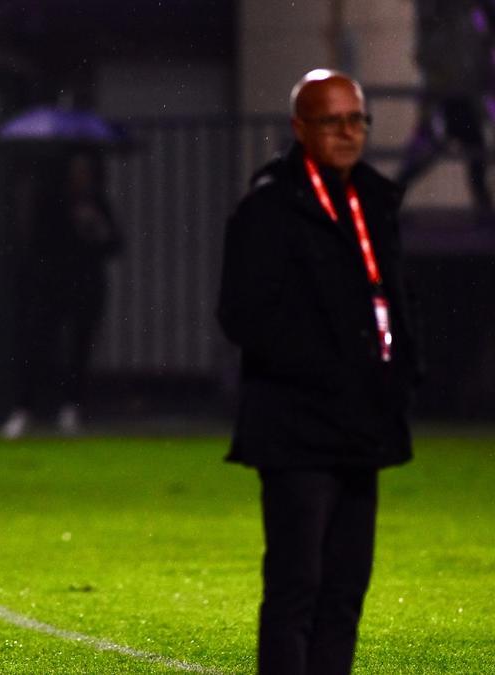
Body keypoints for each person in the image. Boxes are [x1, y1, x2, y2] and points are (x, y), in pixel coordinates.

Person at [217, 70, 419, 675]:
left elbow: (392, 299)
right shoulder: (269, 207)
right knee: (297, 585)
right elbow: (242, 315)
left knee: (346, 590)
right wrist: (326, 367)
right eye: (332, 120)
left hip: (363, 422)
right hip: (297, 425)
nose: (348, 132)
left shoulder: (374, 200)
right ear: (300, 128)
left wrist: (400, 370)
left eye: (357, 119)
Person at [1, 150, 122, 438]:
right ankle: (24, 408)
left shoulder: (95, 203)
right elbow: (38, 243)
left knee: (79, 348)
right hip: (52, 286)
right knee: (38, 346)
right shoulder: (49, 202)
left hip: (86, 286)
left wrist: (94, 228)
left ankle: (70, 407)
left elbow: (114, 243)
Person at [397, 0, 495, 214]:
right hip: (449, 93)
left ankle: (484, 209)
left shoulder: (470, 17)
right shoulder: (447, 14)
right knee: (463, 149)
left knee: (470, 151)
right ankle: (484, 210)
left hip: (459, 93)